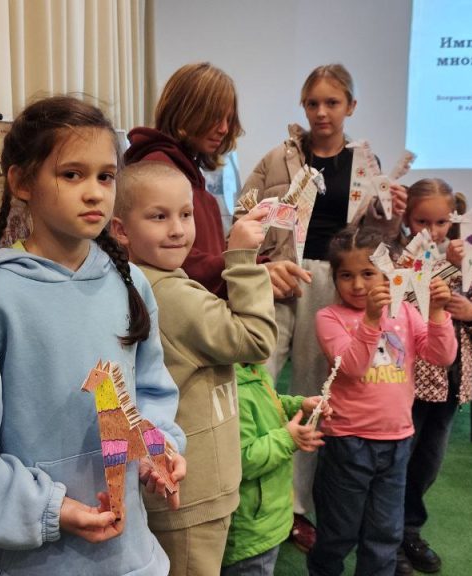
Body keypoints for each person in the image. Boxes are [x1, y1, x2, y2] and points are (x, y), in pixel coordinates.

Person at [0, 96, 187, 576]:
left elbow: (150, 390)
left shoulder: (130, 283)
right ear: (22, 182)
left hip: (125, 555)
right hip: (28, 560)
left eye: (106, 176)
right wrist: (48, 508)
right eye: (72, 174)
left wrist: (157, 448)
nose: (95, 193)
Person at [235, 63, 407, 551]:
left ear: (351, 106)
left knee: (313, 393)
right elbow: (243, 213)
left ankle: (294, 506)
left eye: (332, 103)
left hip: (333, 283)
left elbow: (375, 241)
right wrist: (260, 262)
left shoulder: (367, 164)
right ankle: (246, 488)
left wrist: (390, 216)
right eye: (313, 103)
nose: (322, 112)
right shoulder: (278, 158)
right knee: (256, 380)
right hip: (279, 276)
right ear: (303, 106)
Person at [111, 161, 277, 575]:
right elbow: (256, 340)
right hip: (193, 490)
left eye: (185, 214)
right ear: (120, 230)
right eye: (158, 216)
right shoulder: (170, 293)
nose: (178, 230)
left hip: (180, 482)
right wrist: (241, 257)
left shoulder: (141, 280)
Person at [309, 226, 457, 576]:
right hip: (348, 441)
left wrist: (437, 313)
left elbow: (441, 356)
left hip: (397, 441)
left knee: (385, 533)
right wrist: (372, 320)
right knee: (338, 533)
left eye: (368, 273)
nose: (358, 285)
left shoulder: (405, 312)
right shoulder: (329, 318)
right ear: (335, 278)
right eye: (346, 275)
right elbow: (352, 367)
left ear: (388, 274)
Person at [396, 179, 472, 576]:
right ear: (406, 219)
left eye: (441, 222)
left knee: (426, 466)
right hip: (406, 387)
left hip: (451, 386)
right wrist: (441, 273)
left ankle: (409, 531)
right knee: (396, 465)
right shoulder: (397, 261)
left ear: (454, 218)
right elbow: (395, 311)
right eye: (421, 221)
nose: (432, 232)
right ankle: (387, 538)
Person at [124, 62, 245, 298]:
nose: (223, 128)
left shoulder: (187, 171)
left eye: (228, 119)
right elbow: (178, 257)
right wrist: (249, 267)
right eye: (214, 117)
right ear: (185, 110)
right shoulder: (160, 169)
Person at [222, 363, 330, 576]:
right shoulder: (234, 389)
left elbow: (271, 403)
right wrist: (288, 438)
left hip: (269, 519)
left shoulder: (253, 371)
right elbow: (242, 460)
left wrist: (300, 406)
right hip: (252, 531)